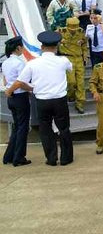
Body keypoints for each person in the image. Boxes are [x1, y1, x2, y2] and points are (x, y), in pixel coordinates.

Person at [6, 31, 74, 166]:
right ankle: (66, 158)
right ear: (56, 46)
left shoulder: (33, 63)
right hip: (59, 100)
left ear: (42, 47)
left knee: (46, 129)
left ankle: (51, 158)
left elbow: (20, 82)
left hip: (42, 101)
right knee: (64, 128)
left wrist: (10, 90)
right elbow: (70, 69)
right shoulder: (63, 61)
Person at [2, 36, 32, 167]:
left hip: (11, 98)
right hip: (20, 97)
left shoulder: (6, 62)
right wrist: (32, 88)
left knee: (17, 127)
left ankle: (9, 156)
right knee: (22, 128)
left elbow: (5, 81)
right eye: (22, 46)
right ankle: (19, 157)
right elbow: (21, 82)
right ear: (18, 48)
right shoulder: (20, 63)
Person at [57, 17, 89, 114]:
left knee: (80, 83)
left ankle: (80, 103)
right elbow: (54, 44)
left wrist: (85, 56)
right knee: (71, 81)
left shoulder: (80, 32)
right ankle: (70, 94)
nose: (73, 30)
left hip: (78, 58)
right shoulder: (60, 32)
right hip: (67, 58)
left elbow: (84, 44)